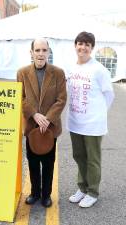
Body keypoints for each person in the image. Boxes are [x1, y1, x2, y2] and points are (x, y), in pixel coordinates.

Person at [66, 31, 114, 208]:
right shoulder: (71, 68)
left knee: (92, 159)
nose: (83, 47)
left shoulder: (99, 69)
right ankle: (82, 188)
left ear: (92, 48)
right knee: (79, 156)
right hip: (75, 122)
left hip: (93, 124)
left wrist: (99, 114)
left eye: (87, 44)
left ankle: (93, 192)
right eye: (80, 43)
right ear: (75, 46)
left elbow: (109, 94)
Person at [17, 38, 67, 207]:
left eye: (44, 50)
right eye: (37, 50)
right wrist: (34, 114)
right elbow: (20, 97)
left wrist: (48, 118)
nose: (40, 54)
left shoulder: (58, 73)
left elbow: (61, 99)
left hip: (50, 127)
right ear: (31, 52)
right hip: (31, 126)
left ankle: (46, 195)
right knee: (32, 162)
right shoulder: (22, 73)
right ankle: (35, 193)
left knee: (48, 162)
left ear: (48, 52)